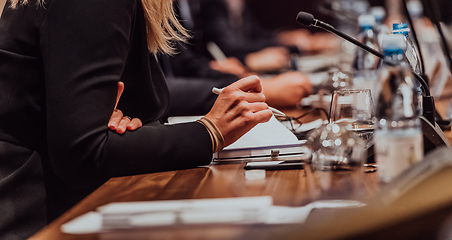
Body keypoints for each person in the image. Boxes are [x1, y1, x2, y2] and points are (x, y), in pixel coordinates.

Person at [0, 0, 273, 239]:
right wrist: (210, 131)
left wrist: (122, 125)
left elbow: (90, 127)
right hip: (30, 216)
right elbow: (83, 150)